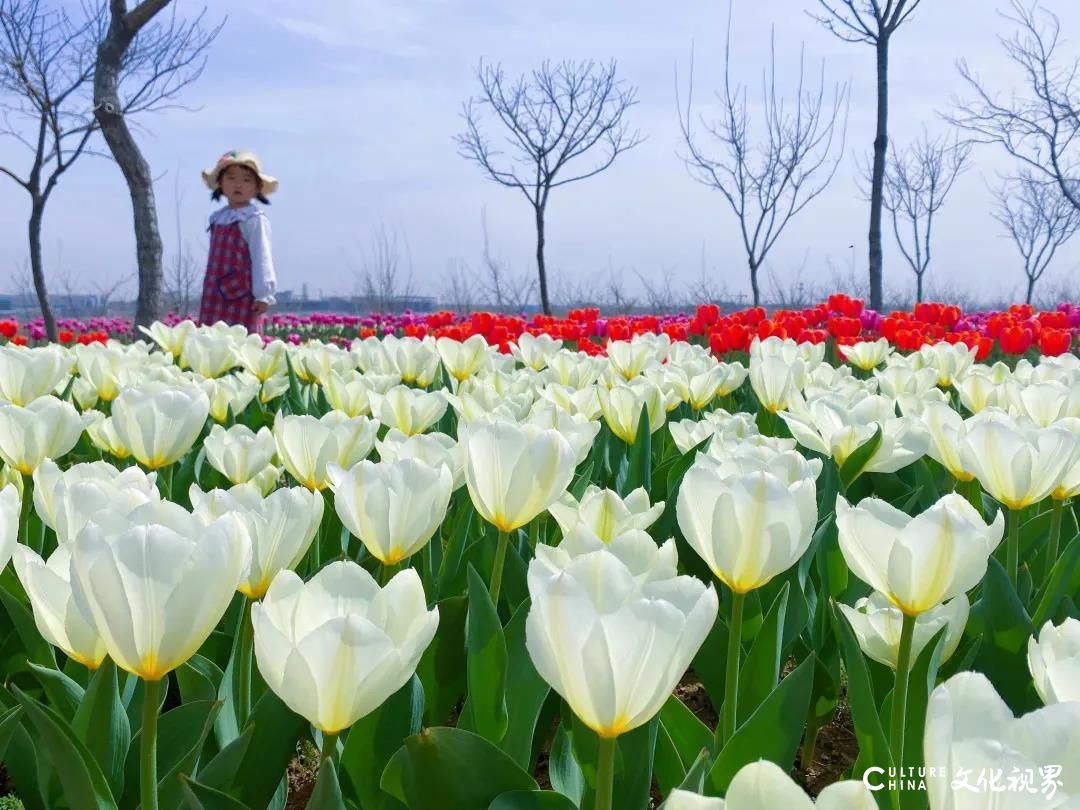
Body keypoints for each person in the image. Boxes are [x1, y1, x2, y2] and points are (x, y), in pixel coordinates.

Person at [198, 150, 279, 334]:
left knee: (241, 342)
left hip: (242, 294)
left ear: (257, 188)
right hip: (213, 292)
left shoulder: (254, 219)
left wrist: (263, 294)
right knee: (211, 341)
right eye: (231, 178)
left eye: (246, 180)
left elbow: (262, 257)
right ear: (220, 183)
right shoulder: (218, 218)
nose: (238, 185)